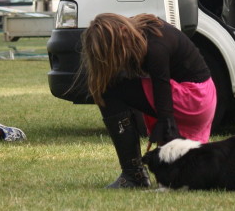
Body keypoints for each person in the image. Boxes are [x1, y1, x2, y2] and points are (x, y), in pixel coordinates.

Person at [81, 13, 217, 189]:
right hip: (202, 95)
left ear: (123, 31)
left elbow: (162, 91)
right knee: (114, 87)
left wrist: (165, 124)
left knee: (107, 90)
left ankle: (133, 175)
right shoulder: (140, 30)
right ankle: (137, 174)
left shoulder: (155, 47)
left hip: (193, 98)